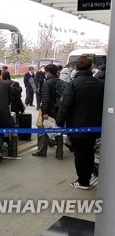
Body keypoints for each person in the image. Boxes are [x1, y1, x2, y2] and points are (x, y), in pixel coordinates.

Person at [56, 56, 104, 190]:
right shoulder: (100, 84)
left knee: (80, 154)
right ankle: (87, 177)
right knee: (89, 152)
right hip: (95, 126)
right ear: (91, 67)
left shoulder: (73, 84)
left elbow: (65, 105)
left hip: (77, 127)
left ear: (76, 68)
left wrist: (59, 123)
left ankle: (83, 181)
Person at [33, 64, 64, 159]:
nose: (45, 74)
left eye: (46, 72)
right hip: (60, 110)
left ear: (49, 72)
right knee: (59, 130)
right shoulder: (61, 82)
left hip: (50, 110)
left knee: (44, 130)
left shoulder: (47, 83)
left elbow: (45, 99)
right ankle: (59, 153)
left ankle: (42, 151)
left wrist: (45, 112)